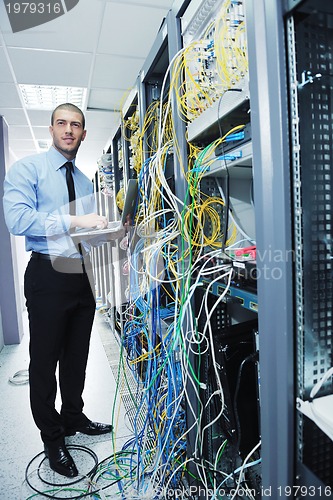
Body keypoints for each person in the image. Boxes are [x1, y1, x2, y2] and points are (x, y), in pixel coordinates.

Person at [3, 103, 122, 478]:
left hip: (80, 273)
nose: (69, 130)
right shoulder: (29, 169)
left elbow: (83, 234)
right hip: (47, 276)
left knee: (76, 356)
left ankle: (73, 416)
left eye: (76, 125)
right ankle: (53, 437)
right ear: (51, 128)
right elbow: (17, 219)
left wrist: (108, 234)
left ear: (84, 134)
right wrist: (74, 218)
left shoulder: (85, 181)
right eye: (62, 123)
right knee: (44, 361)